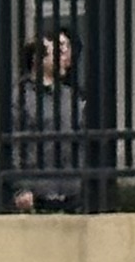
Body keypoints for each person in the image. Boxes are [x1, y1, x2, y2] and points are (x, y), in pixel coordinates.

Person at [7, 26, 84, 214]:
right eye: (59, 49)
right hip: (38, 196)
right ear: (37, 57)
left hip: (72, 193)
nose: (65, 56)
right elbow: (14, 144)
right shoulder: (21, 97)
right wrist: (21, 188)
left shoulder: (70, 96)